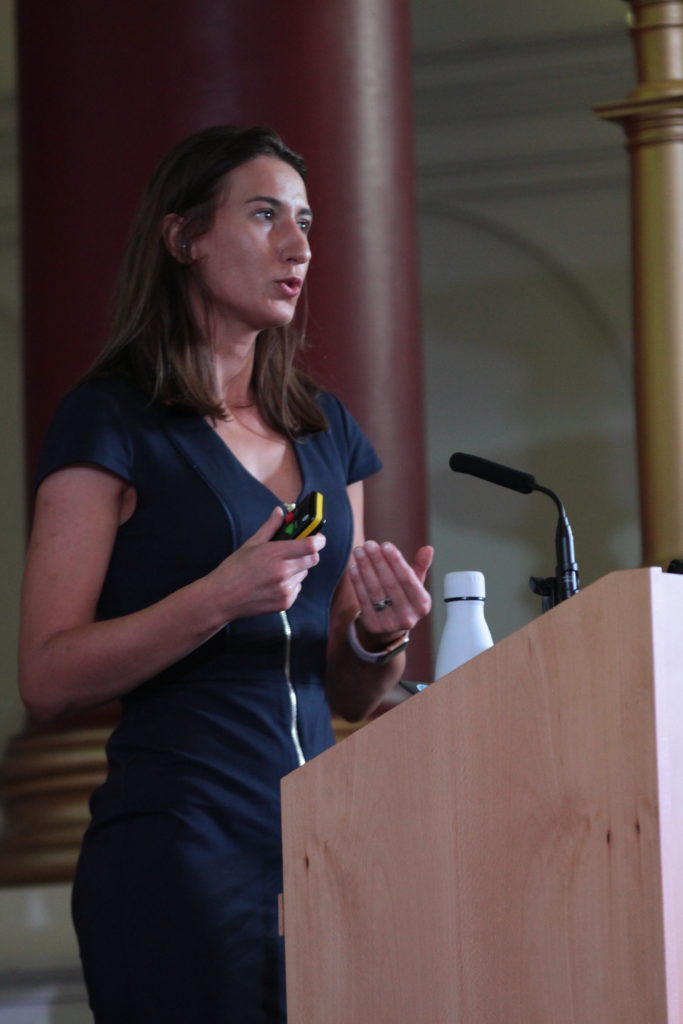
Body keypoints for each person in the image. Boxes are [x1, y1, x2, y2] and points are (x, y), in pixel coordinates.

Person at [18, 125, 433, 1023]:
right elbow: (45, 679)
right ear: (184, 238)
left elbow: (353, 693)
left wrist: (378, 633)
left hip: (329, 849)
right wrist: (216, 598)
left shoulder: (328, 431)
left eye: (306, 220)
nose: (300, 246)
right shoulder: (109, 420)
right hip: (179, 849)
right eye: (264, 215)